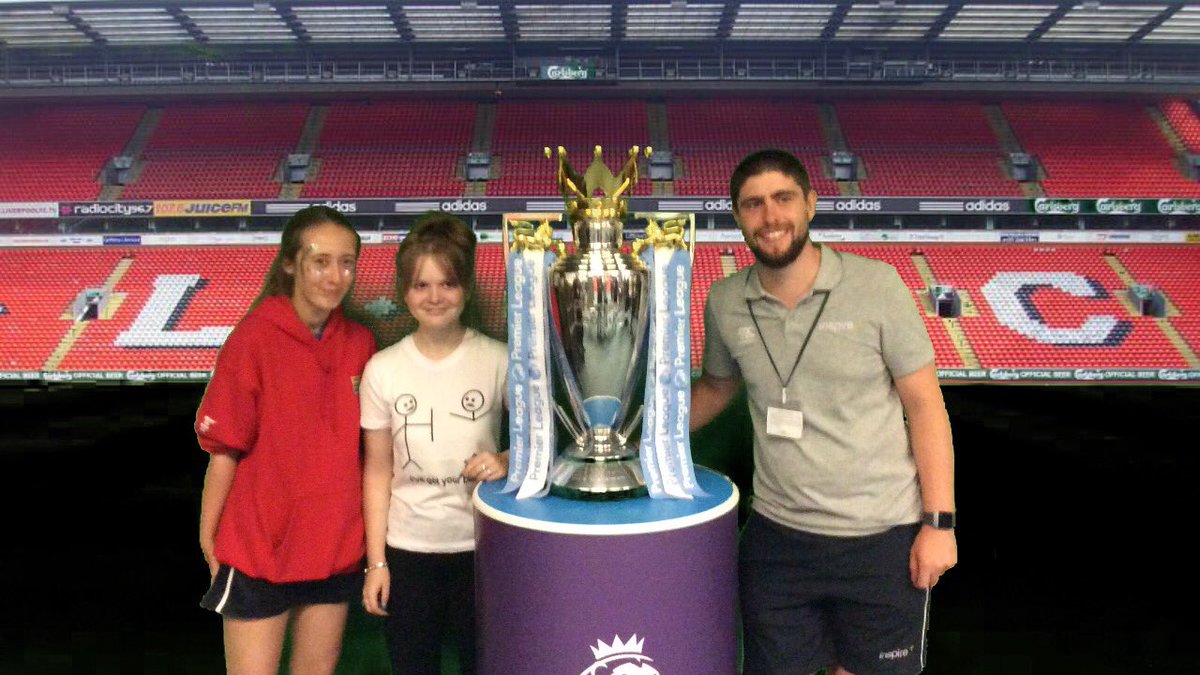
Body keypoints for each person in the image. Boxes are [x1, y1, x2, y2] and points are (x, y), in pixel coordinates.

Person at [690, 150, 958, 675]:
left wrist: (939, 523)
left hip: (881, 539)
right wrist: (637, 437)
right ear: (737, 216)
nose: (770, 216)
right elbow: (717, 387)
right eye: (753, 204)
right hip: (777, 538)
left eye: (783, 198)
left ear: (810, 205)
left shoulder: (877, 286)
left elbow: (925, 406)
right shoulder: (725, 301)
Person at [195, 205, 377, 674]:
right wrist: (209, 538)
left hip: (334, 549)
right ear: (291, 263)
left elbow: (371, 456)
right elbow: (225, 450)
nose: (335, 276)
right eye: (321, 261)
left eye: (346, 263)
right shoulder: (252, 339)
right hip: (260, 550)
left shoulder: (361, 344)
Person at [359, 213, 508, 675]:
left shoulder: (498, 360)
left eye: (447, 283)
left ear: (466, 288)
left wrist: (506, 459)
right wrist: (377, 563)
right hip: (407, 554)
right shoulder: (382, 369)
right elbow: (377, 471)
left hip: (481, 550)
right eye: (421, 285)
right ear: (405, 293)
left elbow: (537, 445)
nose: (435, 296)